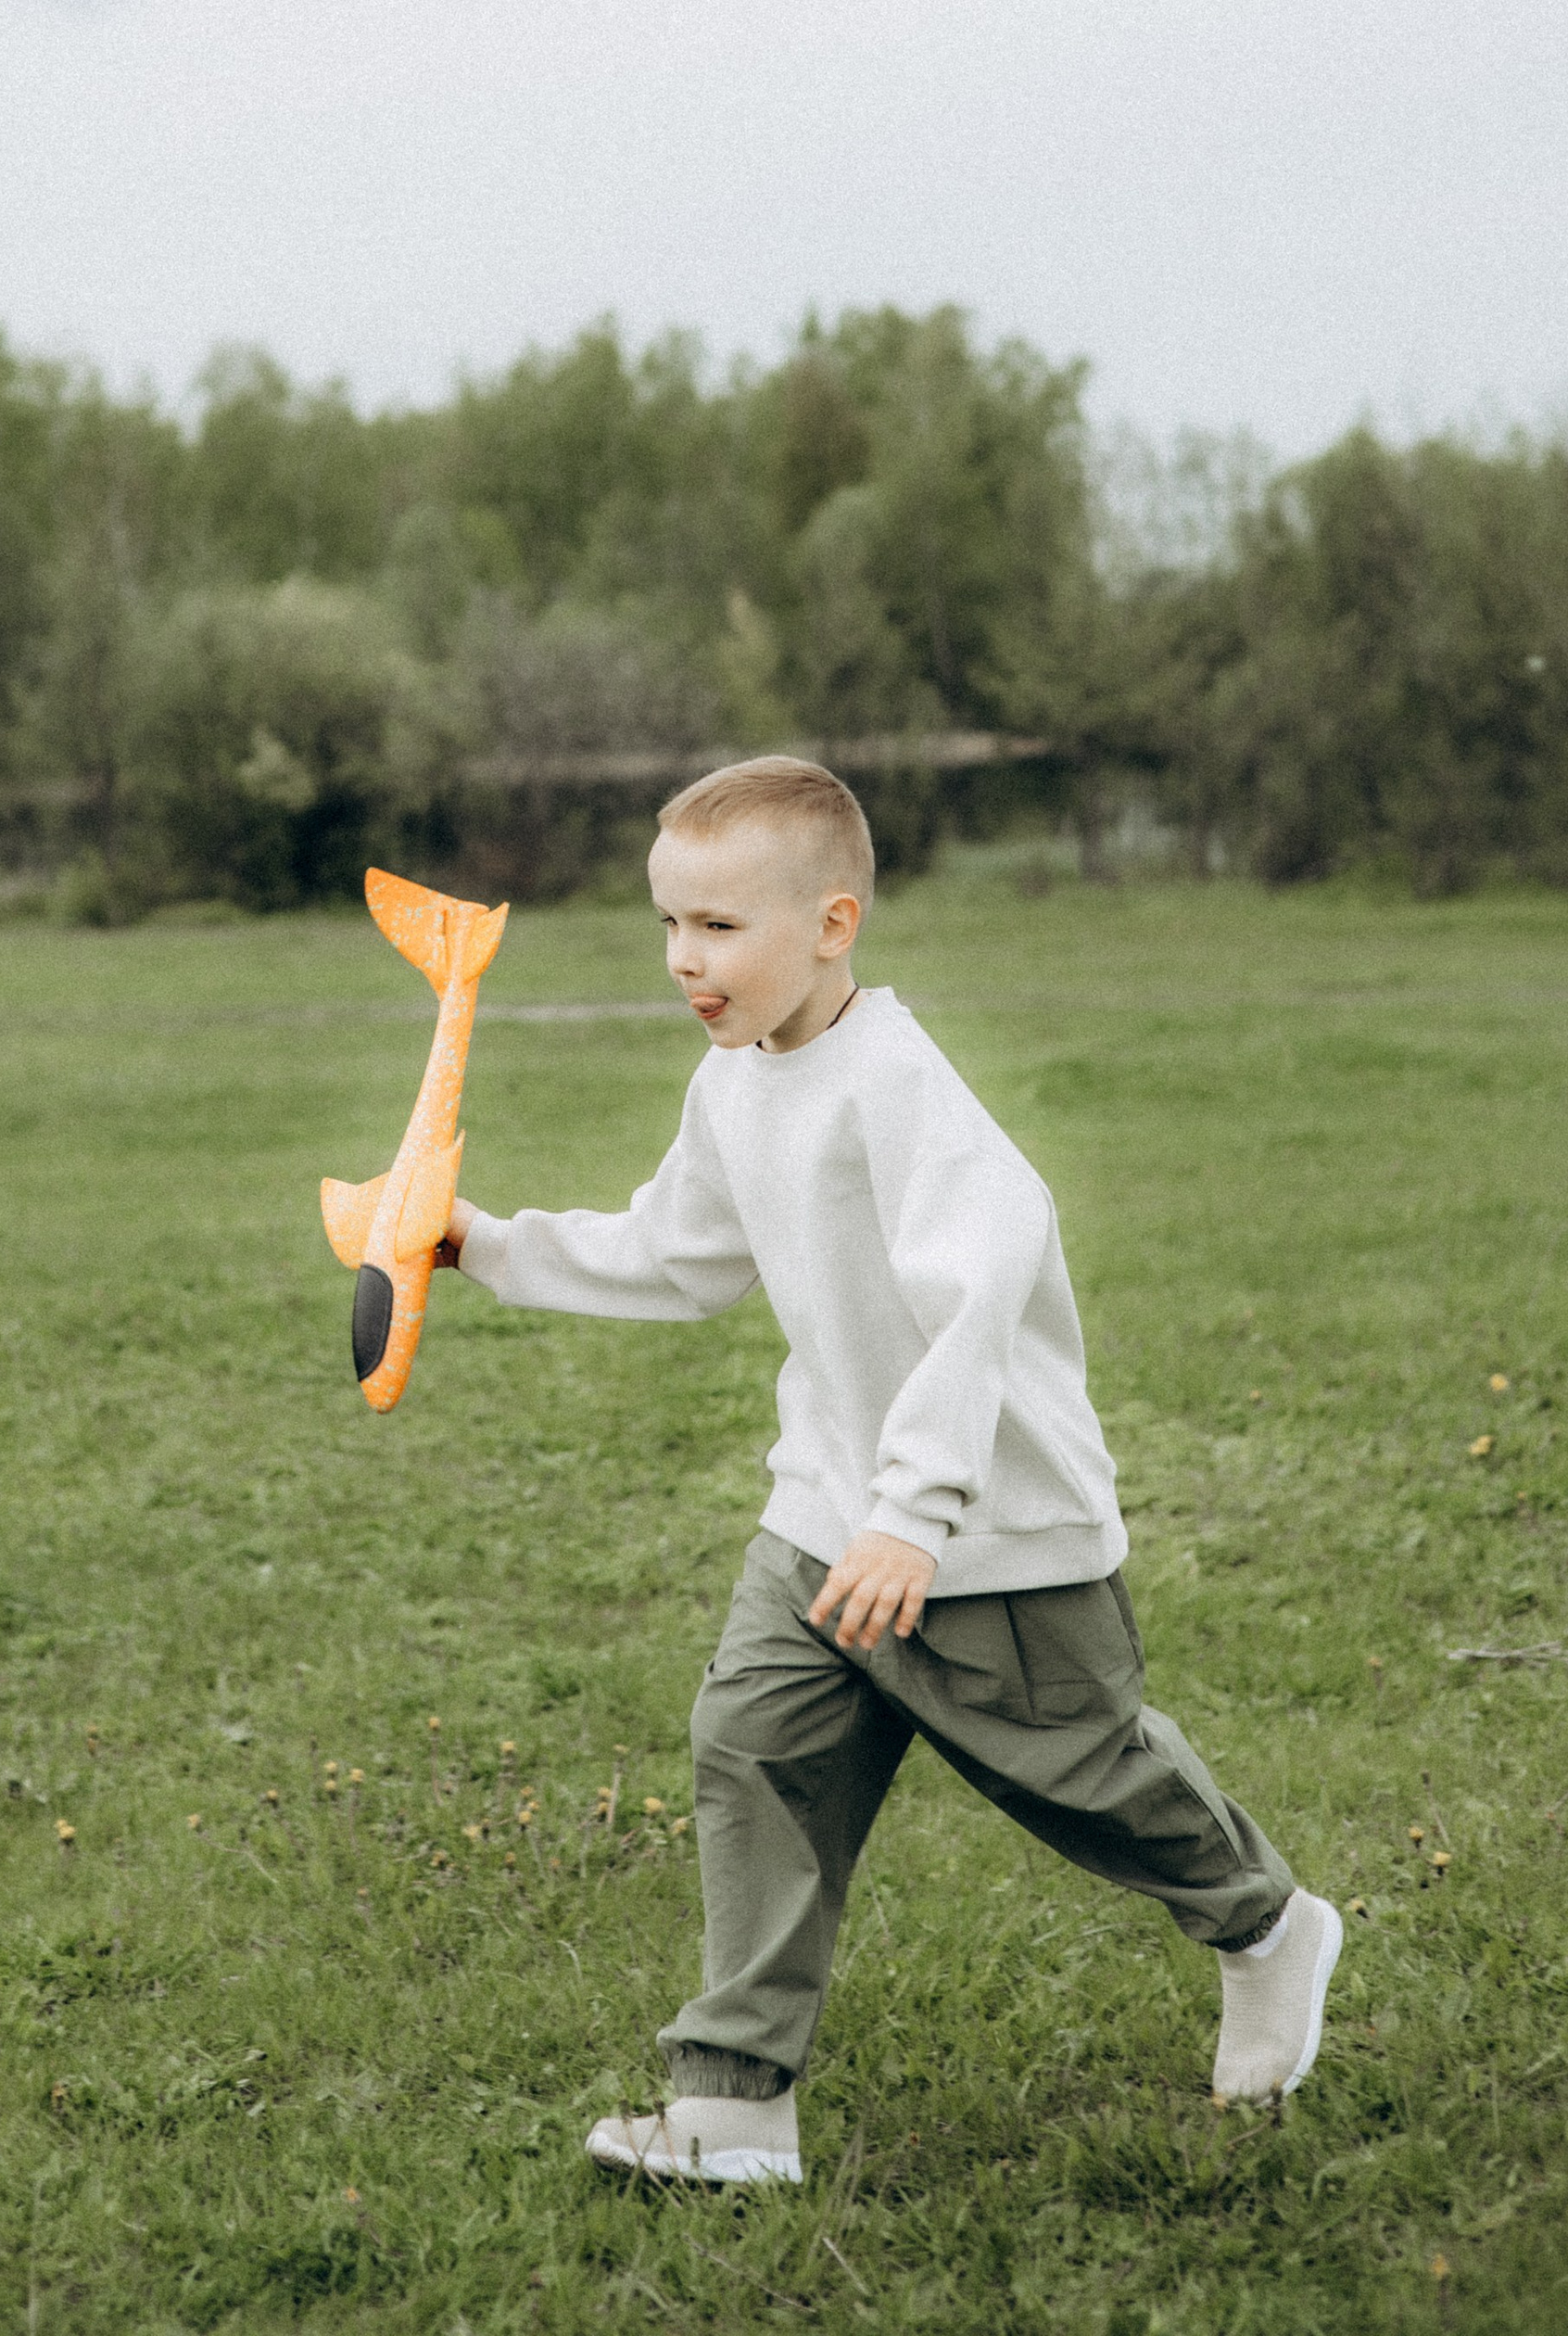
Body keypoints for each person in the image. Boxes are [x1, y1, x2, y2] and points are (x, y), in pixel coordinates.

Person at [435, 755, 1340, 2188]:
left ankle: (1266, 1925)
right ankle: (733, 2107)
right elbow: (678, 1254)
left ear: (834, 922)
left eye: (721, 928)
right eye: (668, 925)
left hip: (990, 1535)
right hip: (827, 1518)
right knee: (753, 1748)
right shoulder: (736, 1081)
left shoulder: (903, 1091)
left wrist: (917, 1515)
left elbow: (979, 1297)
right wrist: (482, 1245)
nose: (686, 960)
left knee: (1087, 1777)